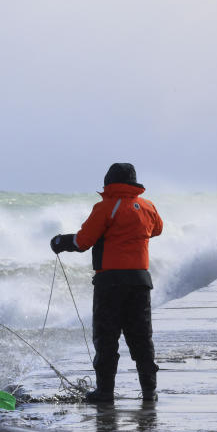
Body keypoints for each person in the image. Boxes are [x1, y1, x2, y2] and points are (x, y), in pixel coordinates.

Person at [50, 163, 163, 403]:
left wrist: (60, 241)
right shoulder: (148, 206)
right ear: (134, 183)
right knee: (141, 338)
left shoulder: (106, 207)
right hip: (140, 282)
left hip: (110, 283)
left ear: (109, 182)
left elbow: (83, 242)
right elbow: (157, 230)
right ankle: (149, 391)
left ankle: (105, 392)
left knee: (107, 338)